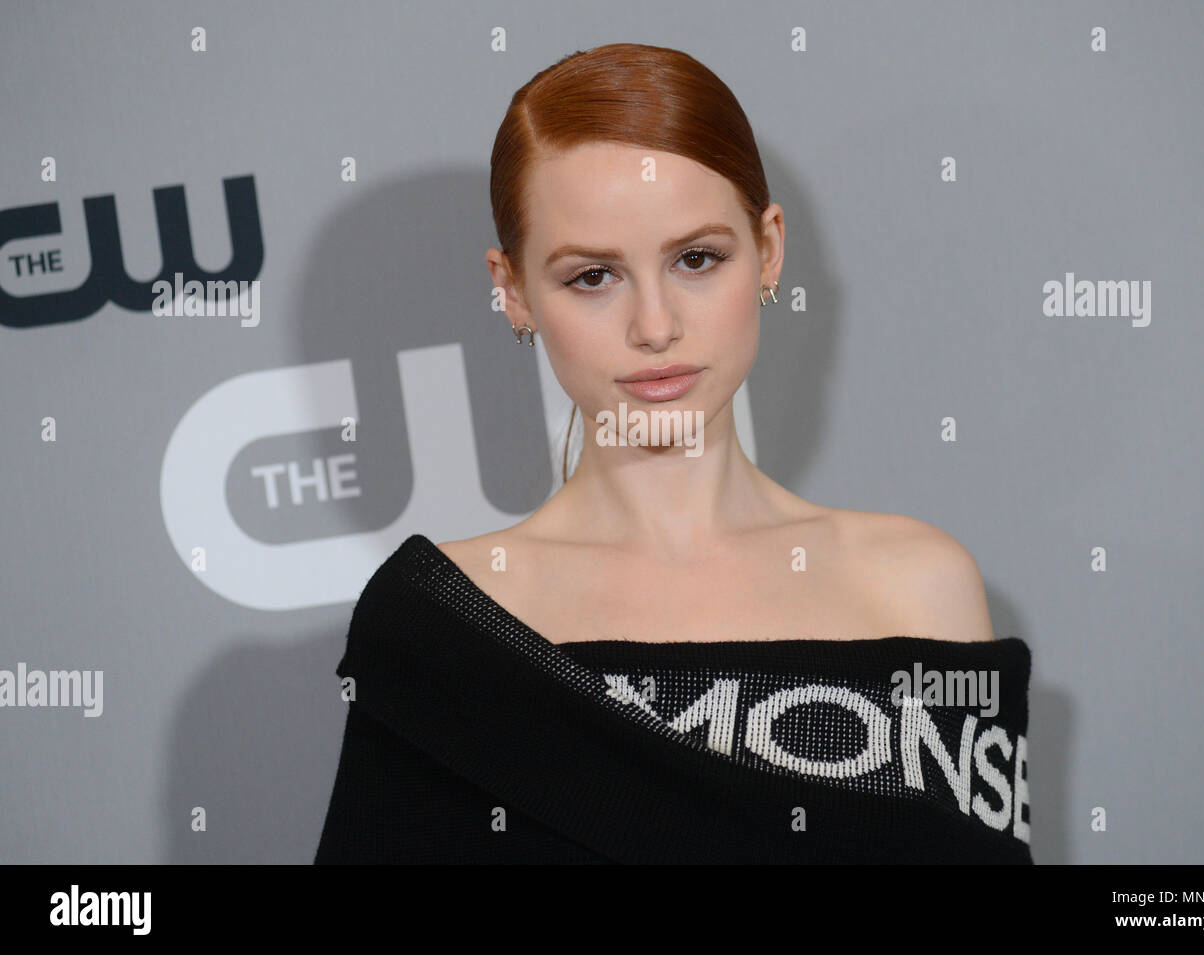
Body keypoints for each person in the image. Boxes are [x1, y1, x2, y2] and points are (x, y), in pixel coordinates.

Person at [315, 42, 1032, 864]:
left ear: (768, 249)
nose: (654, 327)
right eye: (593, 276)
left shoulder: (918, 584)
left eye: (697, 259)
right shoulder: (440, 627)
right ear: (510, 289)